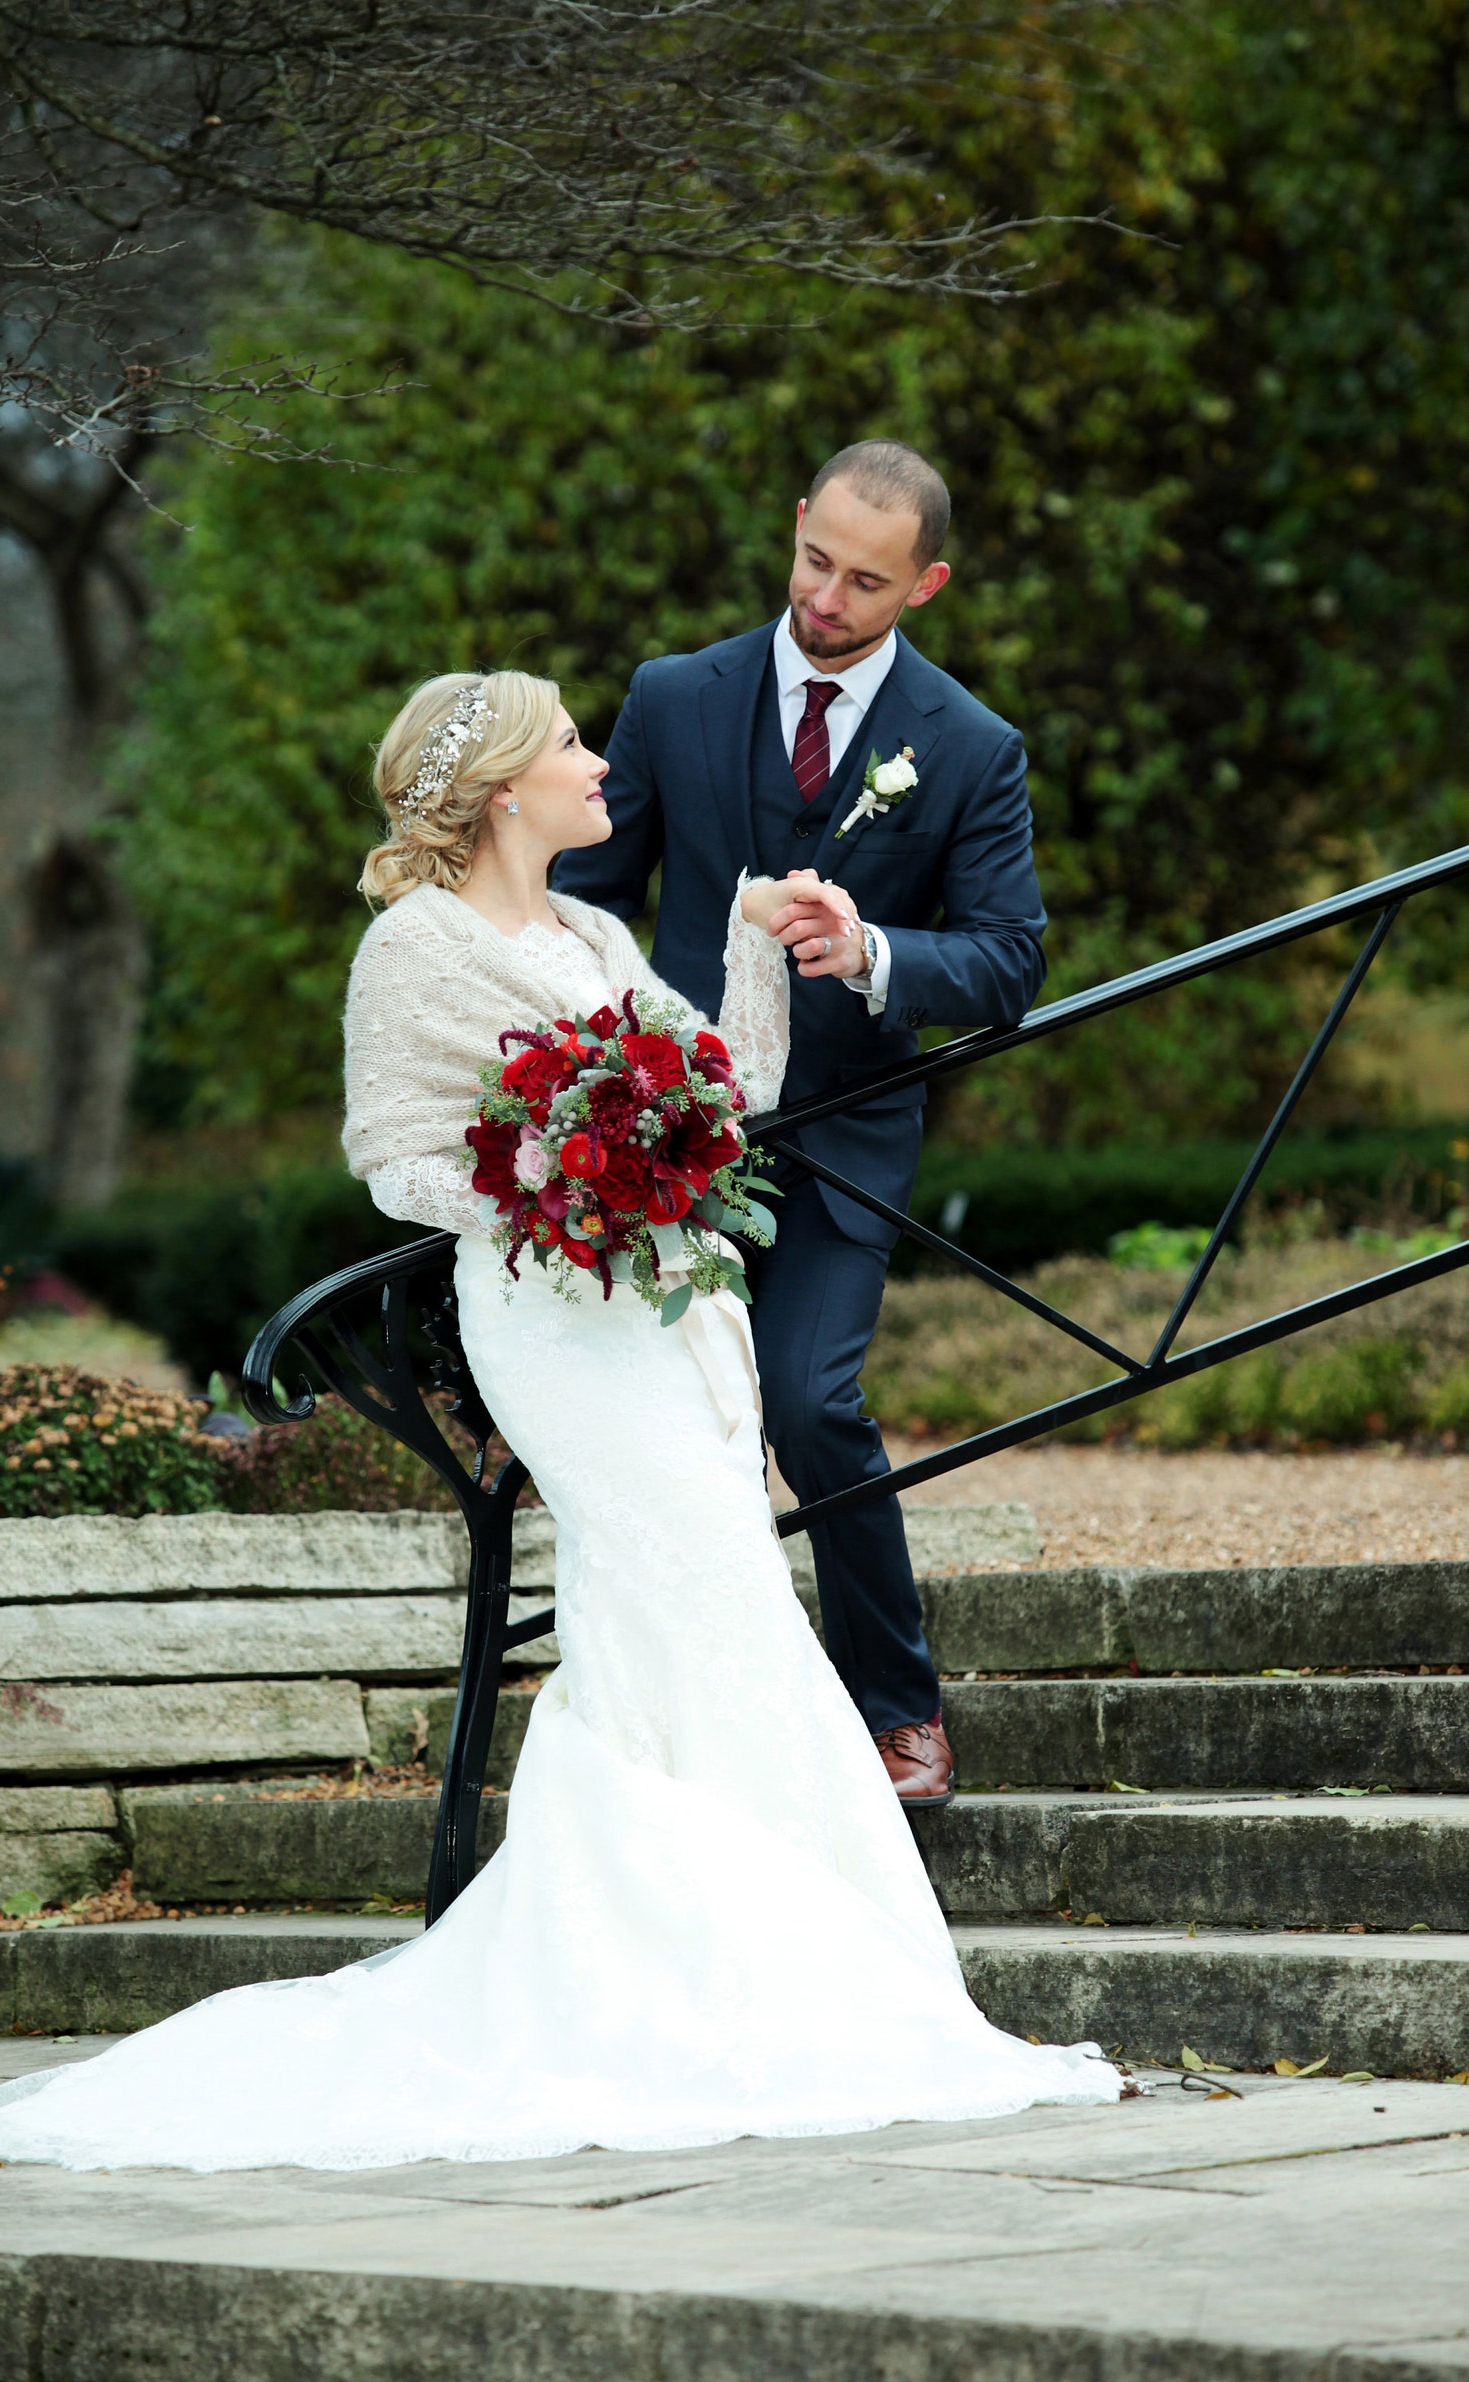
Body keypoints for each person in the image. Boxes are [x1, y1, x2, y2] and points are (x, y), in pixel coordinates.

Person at [0, 669, 1116, 2175]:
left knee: (716, 1600)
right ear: (507, 789)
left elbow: (726, 1091)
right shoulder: (415, 949)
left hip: (666, 1320)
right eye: (571, 743)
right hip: (555, 1328)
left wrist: (758, 939)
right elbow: (394, 1160)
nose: (601, 761)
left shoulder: (600, 936)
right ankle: (675, 1967)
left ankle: (748, 1960)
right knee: (694, 1583)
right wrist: (552, 1182)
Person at [554, 440, 1048, 1807]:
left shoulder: (970, 748)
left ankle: (900, 1709)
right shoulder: (672, 695)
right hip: (669, 1136)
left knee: (814, 1398)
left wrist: (880, 953)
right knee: (672, 1423)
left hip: (844, 1137)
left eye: (867, 580)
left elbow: (1011, 961)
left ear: (928, 584)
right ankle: (689, 1723)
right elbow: (585, 901)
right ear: (796, 526)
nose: (826, 596)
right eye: (815, 558)